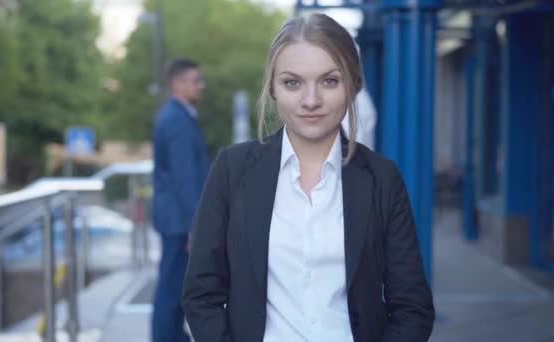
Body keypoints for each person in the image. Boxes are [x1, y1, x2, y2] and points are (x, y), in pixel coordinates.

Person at [183, 14, 434, 342]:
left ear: (352, 84)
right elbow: (201, 296)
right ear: (273, 87)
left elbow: (412, 307)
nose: (311, 100)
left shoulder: (382, 179)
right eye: (292, 82)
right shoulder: (232, 170)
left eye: (329, 81)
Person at [152, 58, 210, 342]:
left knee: (173, 287)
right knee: (171, 290)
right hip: (179, 220)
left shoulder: (177, 116)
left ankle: (171, 336)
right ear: (178, 84)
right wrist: (194, 224)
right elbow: (184, 177)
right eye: (196, 81)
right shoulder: (177, 120)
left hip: (176, 218)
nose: (202, 86)